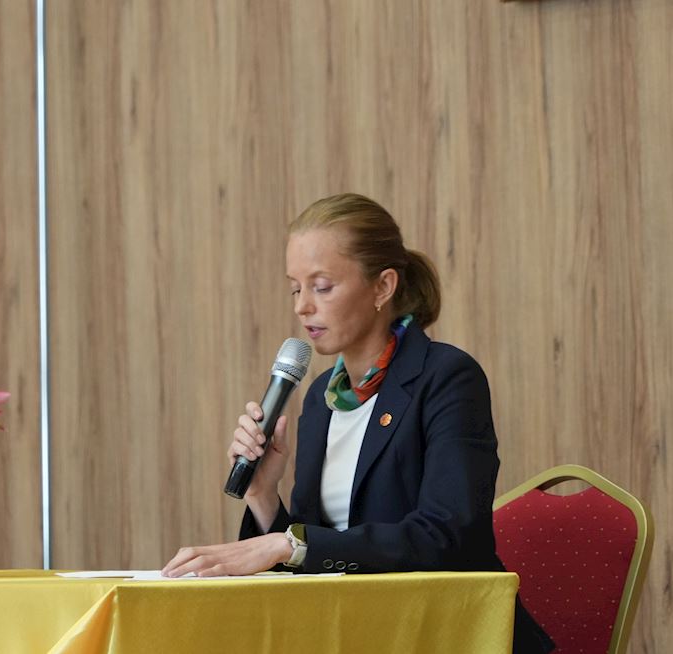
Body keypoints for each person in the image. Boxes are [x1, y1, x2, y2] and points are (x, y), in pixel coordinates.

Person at [160, 193, 552, 653]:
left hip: (446, 634)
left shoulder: (446, 378)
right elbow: (313, 554)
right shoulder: (321, 399)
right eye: (295, 289)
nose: (303, 307)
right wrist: (264, 496)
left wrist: (292, 544)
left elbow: (446, 535)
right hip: (352, 632)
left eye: (322, 286)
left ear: (382, 287)